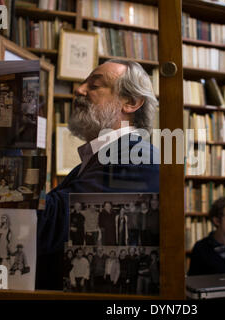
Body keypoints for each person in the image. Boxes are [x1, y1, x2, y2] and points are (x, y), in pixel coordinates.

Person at [36, 59, 159, 290]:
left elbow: (44, 227)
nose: (79, 90)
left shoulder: (134, 159)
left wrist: (11, 134)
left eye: (94, 85)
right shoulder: (99, 159)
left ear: (131, 102)